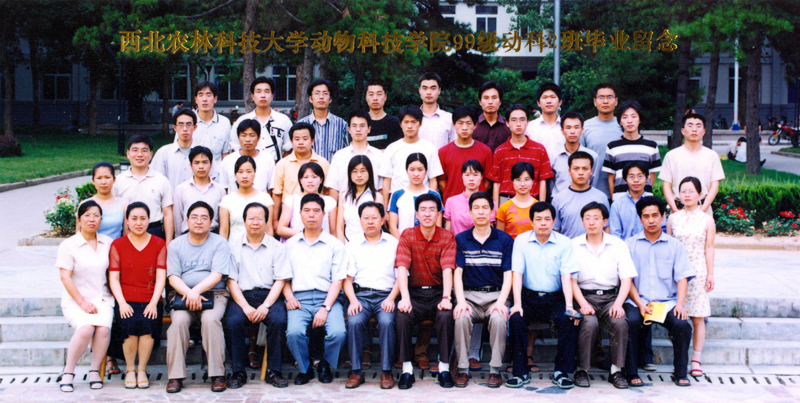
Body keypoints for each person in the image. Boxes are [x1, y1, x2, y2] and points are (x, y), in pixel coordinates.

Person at [506, 202, 579, 389]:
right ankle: (520, 372)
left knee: (569, 319)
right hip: (528, 297)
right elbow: (517, 274)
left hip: (555, 298)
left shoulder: (564, 242)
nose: (543, 223)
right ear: (531, 222)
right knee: (516, 318)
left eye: (547, 219)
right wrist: (517, 304)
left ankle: (561, 372)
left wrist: (569, 306)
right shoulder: (521, 241)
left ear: (554, 221)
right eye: (538, 219)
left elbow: (566, 276)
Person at [624, 196, 694, 387]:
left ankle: (680, 373)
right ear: (640, 219)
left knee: (682, 325)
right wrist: (639, 304)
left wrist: (680, 305)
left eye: (655, 215)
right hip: (637, 301)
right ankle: (631, 372)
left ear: (663, 217)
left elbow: (682, 277)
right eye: (646, 216)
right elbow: (627, 279)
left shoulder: (674, 245)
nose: (651, 220)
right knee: (630, 321)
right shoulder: (629, 245)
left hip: (667, 303)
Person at [165, 201, 232, 393]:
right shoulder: (176, 245)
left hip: (214, 294)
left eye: (204, 218)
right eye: (194, 217)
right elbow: (173, 276)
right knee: (178, 322)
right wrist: (190, 293)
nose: (199, 221)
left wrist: (196, 292)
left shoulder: (220, 243)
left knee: (211, 320)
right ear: (186, 221)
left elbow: (217, 274)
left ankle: (217, 374)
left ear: (211, 222)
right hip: (182, 296)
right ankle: (175, 376)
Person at [570, 202, 636, 389]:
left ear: (605, 221)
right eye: (587, 218)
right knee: (589, 323)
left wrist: (618, 304)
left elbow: (626, 278)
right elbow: (571, 280)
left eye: (596, 218)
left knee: (619, 322)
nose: (591, 222)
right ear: (582, 221)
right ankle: (582, 370)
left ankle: (616, 371)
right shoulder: (573, 245)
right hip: (584, 296)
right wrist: (582, 303)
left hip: (610, 298)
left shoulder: (618, 245)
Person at [225, 202, 291, 389]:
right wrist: (245, 306)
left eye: (260, 218)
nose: (255, 222)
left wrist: (266, 305)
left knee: (279, 320)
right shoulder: (233, 246)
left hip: (269, 296)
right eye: (251, 218)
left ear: (266, 221)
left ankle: (274, 371)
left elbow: (280, 280)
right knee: (232, 322)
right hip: (242, 297)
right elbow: (231, 281)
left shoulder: (277, 247)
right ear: (244, 221)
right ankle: (238, 371)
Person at [283, 194, 347, 385]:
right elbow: (282, 277)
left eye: (316, 211)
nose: (311, 215)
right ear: (300, 214)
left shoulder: (335, 245)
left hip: (327, 298)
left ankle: (325, 364)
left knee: (338, 332)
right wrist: (289, 297)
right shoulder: (290, 245)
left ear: (324, 215)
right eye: (307, 211)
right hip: (299, 299)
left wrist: (325, 308)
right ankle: (305, 368)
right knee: (294, 333)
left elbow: (338, 280)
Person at [395, 193, 457, 390]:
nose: (427, 214)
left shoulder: (447, 236)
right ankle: (406, 370)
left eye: (432, 210)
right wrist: (405, 298)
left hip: (438, 293)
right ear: (416, 214)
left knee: (446, 316)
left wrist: (446, 297)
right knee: (402, 316)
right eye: (423, 210)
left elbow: (448, 268)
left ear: (439, 214)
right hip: (414, 294)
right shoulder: (407, 235)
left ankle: (444, 368)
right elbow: (402, 267)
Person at [452, 192, 513, 388]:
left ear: (492, 211)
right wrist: (461, 301)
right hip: (469, 296)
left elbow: (508, 274)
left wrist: (501, 302)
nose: (480, 212)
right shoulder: (461, 239)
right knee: (461, 317)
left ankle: (495, 370)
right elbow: (457, 273)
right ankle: (463, 369)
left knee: (499, 318)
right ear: (470, 212)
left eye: (485, 208)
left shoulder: (504, 240)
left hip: (496, 296)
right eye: (476, 208)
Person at [107, 202, 167, 390]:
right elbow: (114, 278)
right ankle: (130, 370)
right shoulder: (118, 245)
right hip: (125, 297)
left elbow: (161, 276)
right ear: (127, 221)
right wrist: (122, 303)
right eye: (134, 218)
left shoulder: (159, 243)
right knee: (130, 324)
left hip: (151, 297)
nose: (138, 223)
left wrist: (153, 302)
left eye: (143, 218)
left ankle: (142, 370)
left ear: (149, 220)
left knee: (147, 325)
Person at [56, 200, 114, 392]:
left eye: (96, 215)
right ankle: (68, 371)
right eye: (87, 215)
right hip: (76, 300)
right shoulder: (68, 245)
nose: (91, 219)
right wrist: (82, 302)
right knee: (86, 329)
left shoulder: (108, 243)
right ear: (79, 219)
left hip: (103, 298)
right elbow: (65, 277)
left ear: (101, 219)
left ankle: (94, 370)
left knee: (103, 330)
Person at [342, 202, 400, 389]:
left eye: (374, 218)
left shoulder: (394, 243)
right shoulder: (352, 245)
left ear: (382, 220)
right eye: (366, 218)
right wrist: (353, 301)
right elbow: (347, 280)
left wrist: (391, 298)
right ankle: (356, 372)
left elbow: (401, 276)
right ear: (360, 221)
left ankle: (386, 372)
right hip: (361, 296)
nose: (370, 222)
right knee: (354, 321)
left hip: (386, 295)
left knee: (386, 322)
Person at [667, 177, 716, 378]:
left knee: (697, 317)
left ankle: (696, 359)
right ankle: (679, 359)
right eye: (683, 191)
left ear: (700, 195)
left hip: (698, 272)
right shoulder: (673, 218)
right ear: (678, 195)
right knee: (677, 318)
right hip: (676, 274)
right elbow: (668, 247)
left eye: (691, 191)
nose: (686, 195)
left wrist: (710, 273)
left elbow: (709, 248)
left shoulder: (707, 220)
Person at [660, 113, 726, 214]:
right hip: (678, 210)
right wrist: (674, 209)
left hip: (704, 210)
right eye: (690, 125)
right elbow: (666, 186)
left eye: (698, 126)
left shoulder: (712, 156)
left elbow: (714, 187)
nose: (694, 129)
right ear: (683, 131)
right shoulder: (671, 155)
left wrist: (702, 210)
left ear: (704, 131)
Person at [113, 135, 174, 244]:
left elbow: (167, 214)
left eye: (144, 150)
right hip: (127, 232)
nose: (139, 154)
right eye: (135, 150)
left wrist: (169, 243)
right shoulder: (118, 181)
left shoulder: (161, 180)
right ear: (128, 153)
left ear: (151, 154)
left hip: (154, 232)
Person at [488, 104, 552, 208]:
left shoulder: (539, 149)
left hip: (532, 201)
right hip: (506, 201)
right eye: (514, 120)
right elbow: (496, 183)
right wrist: (496, 209)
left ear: (528, 122)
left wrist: (541, 206)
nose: (518, 124)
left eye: (522, 120)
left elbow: (543, 180)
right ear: (507, 123)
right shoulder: (500, 151)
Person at [380, 105, 444, 202]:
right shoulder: (391, 149)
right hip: (398, 199)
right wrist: (385, 207)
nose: (409, 126)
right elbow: (386, 181)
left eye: (414, 122)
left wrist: (431, 203)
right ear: (400, 124)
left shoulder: (430, 148)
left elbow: (433, 179)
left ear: (420, 123)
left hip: (423, 199)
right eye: (406, 122)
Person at [603, 100, 661, 201]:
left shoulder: (651, 146)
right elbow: (611, 179)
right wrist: (615, 201)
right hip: (620, 201)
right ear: (620, 121)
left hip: (645, 202)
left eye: (634, 116)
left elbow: (651, 177)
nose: (629, 121)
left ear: (639, 119)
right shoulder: (612, 147)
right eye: (625, 117)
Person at [271, 122, 331, 218]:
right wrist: (274, 220)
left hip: (316, 214)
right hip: (289, 214)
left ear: (312, 141)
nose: (301, 142)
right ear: (291, 142)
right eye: (297, 139)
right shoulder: (282, 164)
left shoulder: (323, 163)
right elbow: (277, 194)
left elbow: (328, 191)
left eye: (305, 139)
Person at [229, 76, 293, 163]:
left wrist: (280, 166)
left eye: (267, 91)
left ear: (272, 96)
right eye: (258, 91)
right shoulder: (242, 121)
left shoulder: (283, 121)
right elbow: (235, 149)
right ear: (252, 96)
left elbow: (289, 149)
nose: (263, 96)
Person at [437, 105, 493, 204]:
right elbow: (441, 181)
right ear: (453, 125)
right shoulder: (443, 152)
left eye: (468, 123)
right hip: (453, 205)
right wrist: (456, 198)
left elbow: (488, 182)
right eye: (460, 123)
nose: (464, 128)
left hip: (478, 205)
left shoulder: (485, 151)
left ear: (475, 125)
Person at [325, 110, 384, 202]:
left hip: (372, 207)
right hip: (345, 207)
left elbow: (381, 188)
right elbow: (333, 188)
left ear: (369, 129)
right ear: (349, 129)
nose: (358, 129)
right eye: (354, 126)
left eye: (362, 126)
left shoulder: (379, 155)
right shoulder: (339, 156)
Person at [219, 156, 275, 246]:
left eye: (249, 171)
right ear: (235, 174)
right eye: (240, 172)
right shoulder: (227, 200)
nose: (244, 176)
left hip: (259, 248)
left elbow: (268, 230)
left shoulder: (265, 198)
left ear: (255, 173)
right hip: (234, 249)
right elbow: (224, 232)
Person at [580, 83, 623, 199]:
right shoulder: (585, 127)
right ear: (594, 101)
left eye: (609, 97)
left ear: (616, 101)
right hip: (592, 190)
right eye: (601, 97)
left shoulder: (623, 126)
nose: (605, 101)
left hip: (620, 191)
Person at [553, 151, 609, 239]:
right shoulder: (558, 199)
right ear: (569, 171)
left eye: (585, 169)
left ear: (591, 171)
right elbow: (556, 230)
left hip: (595, 246)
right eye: (576, 168)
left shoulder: (601, 197)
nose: (580, 173)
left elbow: (606, 228)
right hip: (568, 246)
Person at [173, 147, 226, 235]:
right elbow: (178, 220)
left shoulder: (220, 190)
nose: (201, 166)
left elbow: (222, 220)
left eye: (205, 162)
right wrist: (179, 239)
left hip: (213, 235)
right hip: (188, 235)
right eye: (196, 163)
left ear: (211, 164)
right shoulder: (180, 190)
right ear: (191, 165)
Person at [277, 162, 337, 240]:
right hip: (297, 243)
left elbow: (333, 233)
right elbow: (281, 229)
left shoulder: (330, 201)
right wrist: (305, 235)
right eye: (306, 177)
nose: (310, 181)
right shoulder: (291, 200)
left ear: (321, 179)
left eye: (314, 177)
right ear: (300, 180)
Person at [388, 153, 443, 238]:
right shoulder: (397, 194)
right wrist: (402, 244)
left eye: (420, 170)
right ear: (406, 171)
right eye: (412, 170)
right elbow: (392, 227)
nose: (416, 174)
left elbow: (438, 226)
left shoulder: (434, 195)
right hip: (403, 243)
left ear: (426, 171)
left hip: (429, 244)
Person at [188, 81, 232, 179]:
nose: (204, 99)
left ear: (215, 99)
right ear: (196, 99)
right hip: (191, 179)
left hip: (217, 180)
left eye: (208, 95)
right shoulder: (187, 121)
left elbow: (225, 155)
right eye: (200, 95)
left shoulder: (224, 123)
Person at [297, 78, 349, 161]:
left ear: (330, 99)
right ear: (310, 99)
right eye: (317, 93)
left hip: (333, 169)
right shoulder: (300, 125)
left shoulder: (341, 124)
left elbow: (347, 153)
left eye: (325, 93)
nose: (321, 97)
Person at [219, 119, 276, 194]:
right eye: (244, 135)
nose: (248, 139)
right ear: (238, 137)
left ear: (259, 138)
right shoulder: (228, 160)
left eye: (252, 135)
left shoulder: (268, 160)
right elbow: (224, 188)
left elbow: (271, 189)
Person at [551, 111, 600, 197]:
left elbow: (594, 182)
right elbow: (551, 183)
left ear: (582, 130)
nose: (572, 131)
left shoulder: (592, 156)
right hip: (559, 201)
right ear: (562, 131)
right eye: (568, 128)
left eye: (576, 127)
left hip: (585, 200)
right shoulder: (554, 156)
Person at [337, 155, 384, 243]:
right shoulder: (344, 196)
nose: (359, 175)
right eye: (355, 171)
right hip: (347, 244)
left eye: (363, 171)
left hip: (368, 244)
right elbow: (339, 227)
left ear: (369, 172)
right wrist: (343, 246)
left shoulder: (376, 197)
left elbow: (378, 226)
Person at [76, 162, 128, 239]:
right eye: (99, 178)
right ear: (93, 181)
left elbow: (127, 235)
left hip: (116, 246)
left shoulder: (124, 204)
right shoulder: (85, 204)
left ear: (114, 180)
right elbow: (78, 236)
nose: (103, 182)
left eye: (107, 177)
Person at [609, 161, 659, 240]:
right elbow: (615, 235)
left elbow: (661, 229)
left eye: (640, 176)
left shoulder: (655, 203)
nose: (636, 180)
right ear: (625, 180)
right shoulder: (617, 205)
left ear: (646, 178)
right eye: (631, 176)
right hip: (625, 247)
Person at [444, 160, 495, 234]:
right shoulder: (451, 202)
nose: (471, 179)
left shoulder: (489, 203)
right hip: (457, 241)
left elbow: (490, 230)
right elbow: (447, 231)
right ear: (462, 176)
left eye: (475, 175)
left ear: (481, 176)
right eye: (467, 175)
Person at [153, 109, 198, 188]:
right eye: (180, 124)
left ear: (195, 127)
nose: (185, 129)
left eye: (189, 124)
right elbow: (156, 179)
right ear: (175, 127)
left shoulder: (201, 152)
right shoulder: (164, 152)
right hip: (170, 195)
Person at [496, 162, 538, 239]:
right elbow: (500, 238)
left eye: (526, 179)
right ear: (512, 181)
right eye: (518, 180)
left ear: (533, 181)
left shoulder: (538, 207)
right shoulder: (504, 208)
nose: (522, 184)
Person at [525, 82, 565, 159]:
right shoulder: (529, 127)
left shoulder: (567, 127)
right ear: (538, 103)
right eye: (545, 97)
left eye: (552, 97)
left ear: (560, 102)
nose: (549, 101)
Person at [418, 72, 455, 150]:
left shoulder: (449, 118)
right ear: (419, 90)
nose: (428, 92)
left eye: (433, 88)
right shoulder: (411, 119)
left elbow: (454, 148)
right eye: (425, 88)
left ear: (439, 91)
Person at [472, 81, 512, 152]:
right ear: (480, 102)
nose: (490, 102)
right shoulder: (472, 126)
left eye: (494, 98)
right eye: (486, 98)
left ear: (500, 101)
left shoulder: (509, 127)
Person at [364, 79, 403, 150]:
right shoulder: (360, 123)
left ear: (385, 96)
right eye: (371, 94)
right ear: (366, 97)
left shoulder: (395, 123)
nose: (375, 98)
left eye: (379, 94)